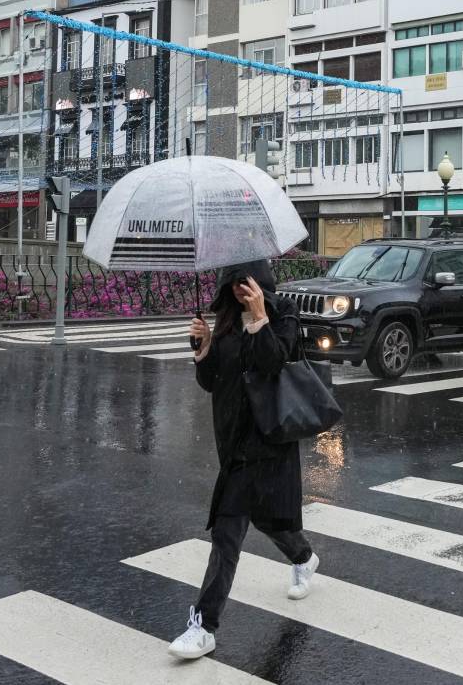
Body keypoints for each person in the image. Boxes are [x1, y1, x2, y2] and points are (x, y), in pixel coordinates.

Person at [169, 260, 319, 660]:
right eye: (232, 281)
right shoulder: (226, 319)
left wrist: (259, 319)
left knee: (254, 520)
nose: (238, 288)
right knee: (233, 528)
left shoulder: (283, 311)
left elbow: (272, 363)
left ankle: (204, 624)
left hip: (270, 436)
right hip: (234, 439)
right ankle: (303, 557)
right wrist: (202, 351)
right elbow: (212, 382)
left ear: (262, 279)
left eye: (246, 280)